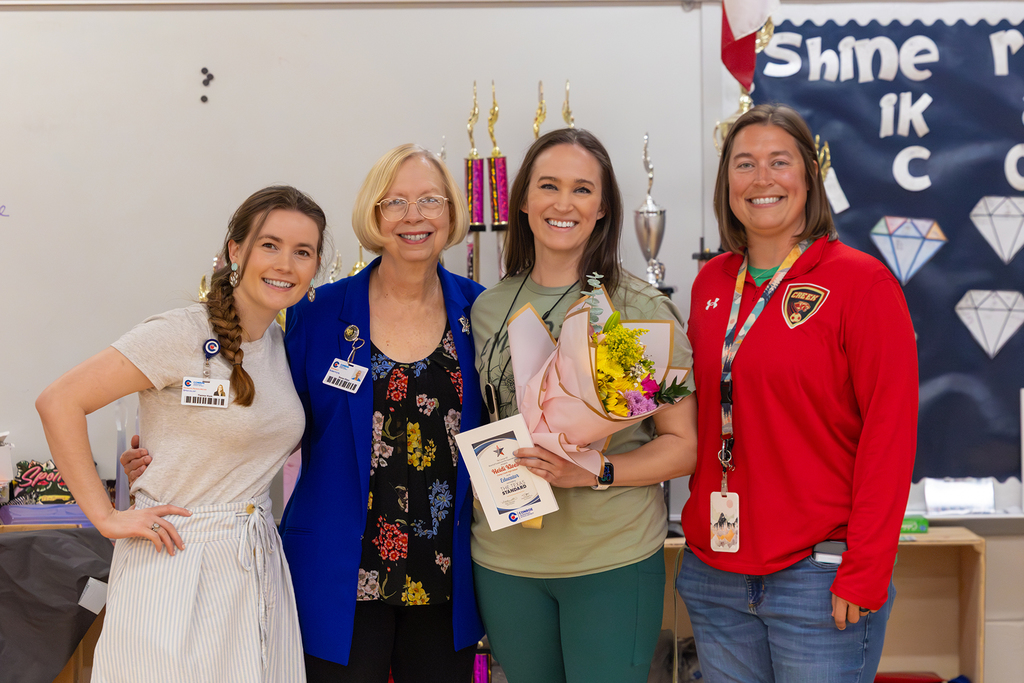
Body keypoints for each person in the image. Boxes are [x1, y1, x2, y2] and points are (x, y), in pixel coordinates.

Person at [124, 145, 485, 682]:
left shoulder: (479, 314)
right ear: (374, 214)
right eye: (396, 202)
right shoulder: (315, 316)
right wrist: (175, 451)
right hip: (336, 577)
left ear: (451, 213)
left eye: (430, 200)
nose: (414, 215)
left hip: (445, 576)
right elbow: (265, 410)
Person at [37, 185, 327, 682]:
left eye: (303, 252)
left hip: (255, 563)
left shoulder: (283, 343)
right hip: (176, 558)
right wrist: (106, 517)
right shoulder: (181, 332)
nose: (285, 264)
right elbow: (59, 401)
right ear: (236, 251)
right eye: (270, 245)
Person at [676, 103, 918, 682]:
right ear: (726, 182)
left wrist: (864, 570)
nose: (761, 179)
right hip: (716, 574)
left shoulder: (862, 283)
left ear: (809, 176)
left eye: (779, 162)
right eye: (744, 164)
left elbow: (891, 436)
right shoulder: (712, 283)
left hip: (818, 576)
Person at [470, 128, 698, 683]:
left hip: (610, 560)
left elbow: (682, 446)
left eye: (582, 189)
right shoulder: (488, 307)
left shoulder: (632, 308)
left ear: (603, 209)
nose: (563, 203)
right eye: (548, 186)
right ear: (522, 201)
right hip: (506, 562)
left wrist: (596, 470)